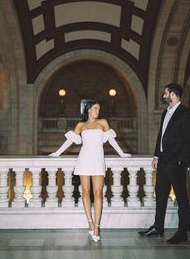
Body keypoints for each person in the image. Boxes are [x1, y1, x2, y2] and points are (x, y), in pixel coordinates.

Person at [49, 99, 131, 243]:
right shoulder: (81, 125)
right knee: (85, 192)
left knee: (98, 193)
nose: (97, 111)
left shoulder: (103, 123)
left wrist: (122, 153)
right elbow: (70, 141)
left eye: (98, 109)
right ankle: (89, 222)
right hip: (84, 160)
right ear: (88, 110)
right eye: (95, 108)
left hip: (98, 160)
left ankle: (97, 226)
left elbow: (111, 140)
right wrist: (57, 152)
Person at [138, 83, 190, 244]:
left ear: (173, 94)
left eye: (166, 93)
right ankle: (158, 227)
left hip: (176, 162)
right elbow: (161, 136)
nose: (163, 95)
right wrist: (156, 156)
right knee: (161, 195)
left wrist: (180, 159)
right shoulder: (166, 112)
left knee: (182, 198)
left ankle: (182, 232)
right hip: (163, 161)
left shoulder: (186, 113)